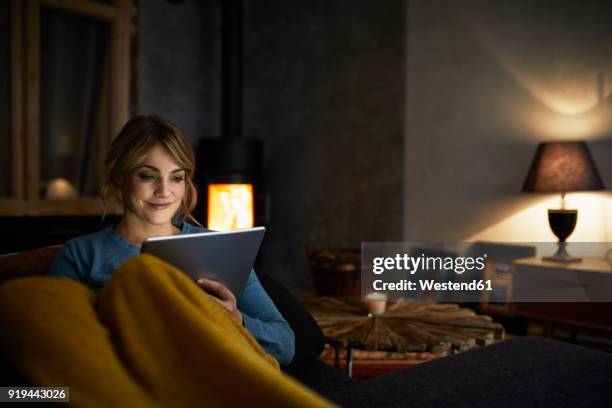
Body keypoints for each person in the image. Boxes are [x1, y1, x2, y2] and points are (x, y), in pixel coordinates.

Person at [47, 115, 295, 367]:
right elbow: (51, 346)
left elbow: (285, 344)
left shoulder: (220, 247)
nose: (164, 191)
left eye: (176, 177)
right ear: (119, 178)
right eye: (147, 176)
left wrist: (236, 320)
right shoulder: (81, 253)